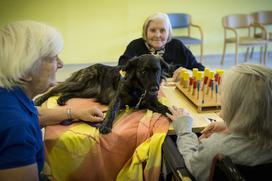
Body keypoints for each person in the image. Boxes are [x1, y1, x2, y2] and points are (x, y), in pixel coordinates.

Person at [0, 21, 104, 180]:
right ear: (26, 70)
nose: (61, 64)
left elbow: (34, 114)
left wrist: (75, 112)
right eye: (53, 58)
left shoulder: (9, 97)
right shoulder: (16, 126)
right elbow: (21, 123)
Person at [166, 63, 272, 181]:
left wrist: (184, 129)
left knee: (167, 142)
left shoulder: (217, 148)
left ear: (235, 107)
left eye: (225, 96)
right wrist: (229, 127)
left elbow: (192, 164)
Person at [118, 12, 205, 81]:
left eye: (162, 30)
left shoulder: (177, 46)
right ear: (146, 31)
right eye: (152, 30)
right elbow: (120, 70)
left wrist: (190, 73)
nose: (157, 35)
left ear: (168, 33)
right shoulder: (135, 46)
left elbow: (201, 69)